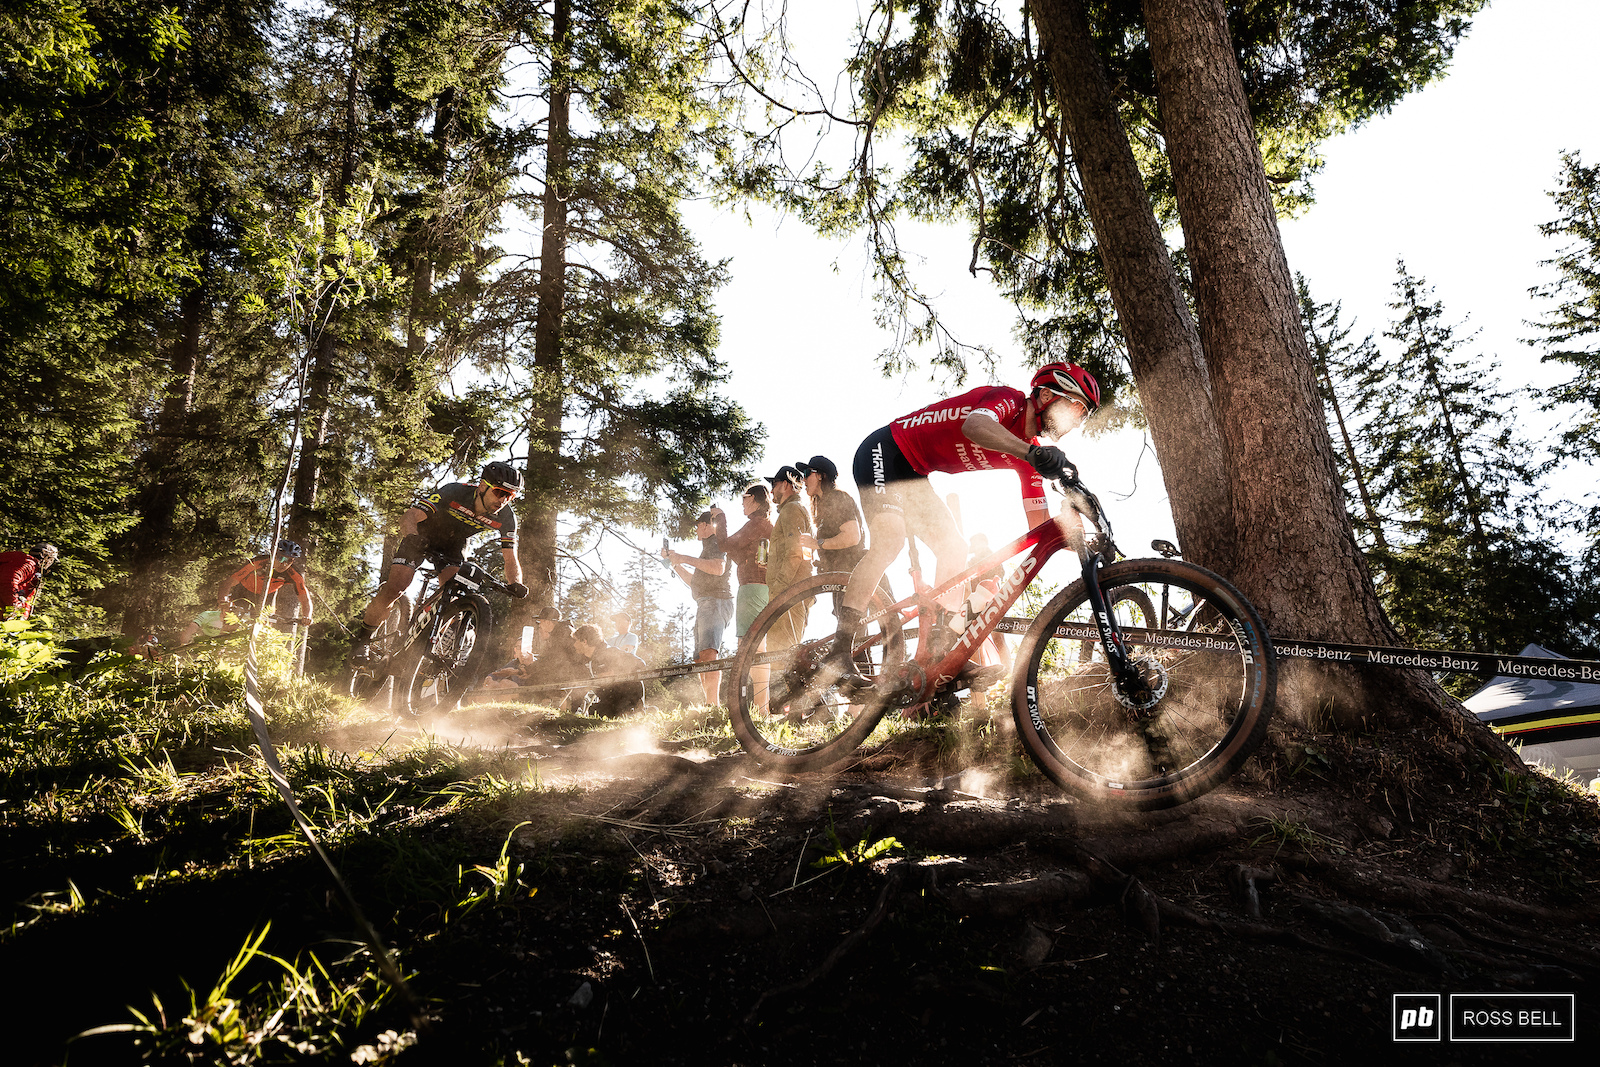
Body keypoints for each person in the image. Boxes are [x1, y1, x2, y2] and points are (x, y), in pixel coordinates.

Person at [819, 361, 1101, 688]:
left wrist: (1076, 537)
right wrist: (1029, 454)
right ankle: (839, 651)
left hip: (914, 474)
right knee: (890, 541)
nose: (1077, 420)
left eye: (1083, 414)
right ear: (1046, 396)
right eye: (1076, 406)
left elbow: (1040, 528)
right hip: (885, 449)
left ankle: (939, 653)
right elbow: (974, 427)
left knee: (954, 547)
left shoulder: (1030, 459)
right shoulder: (1008, 401)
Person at [352, 460, 529, 657]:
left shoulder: (506, 517)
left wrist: (516, 583)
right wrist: (411, 536)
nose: (503, 500)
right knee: (395, 588)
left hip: (454, 545)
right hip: (423, 536)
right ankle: (362, 640)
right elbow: (410, 515)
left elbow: (511, 557)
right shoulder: (454, 492)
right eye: (499, 492)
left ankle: (422, 649)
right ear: (482, 486)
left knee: (453, 598)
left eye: (510, 496)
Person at [662, 510, 733, 705]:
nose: (696, 529)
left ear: (706, 525)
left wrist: (683, 558)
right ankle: (709, 704)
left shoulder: (716, 542)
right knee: (701, 658)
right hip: (706, 602)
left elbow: (718, 568)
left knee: (709, 653)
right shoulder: (708, 547)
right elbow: (694, 582)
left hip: (715, 601)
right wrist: (674, 563)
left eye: (698, 525)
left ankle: (713, 704)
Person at [765, 466, 814, 651]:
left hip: (790, 593)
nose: (771, 490)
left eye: (774, 484)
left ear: (786, 484)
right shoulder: (795, 509)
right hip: (795, 591)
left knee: (782, 654)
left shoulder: (791, 509)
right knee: (786, 653)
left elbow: (795, 552)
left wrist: (779, 588)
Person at [216, 539, 313, 627]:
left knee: (264, 628)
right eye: (281, 558)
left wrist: (307, 617)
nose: (284, 564)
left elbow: (305, 599)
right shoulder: (258, 563)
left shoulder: (293, 573)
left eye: (290, 560)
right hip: (244, 591)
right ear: (273, 554)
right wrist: (223, 601)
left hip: (268, 595)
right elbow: (228, 582)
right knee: (230, 623)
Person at [579, 625, 648, 717]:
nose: (573, 644)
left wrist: (614, 673)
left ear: (584, 641)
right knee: (594, 712)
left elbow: (640, 663)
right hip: (610, 700)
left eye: (575, 641)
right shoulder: (589, 661)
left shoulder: (610, 652)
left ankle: (641, 711)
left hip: (628, 698)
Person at [0, 543, 59, 619]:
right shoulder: (28, 565)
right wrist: (15, 608)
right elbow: (7, 582)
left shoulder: (23, 562)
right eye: (52, 560)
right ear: (47, 559)